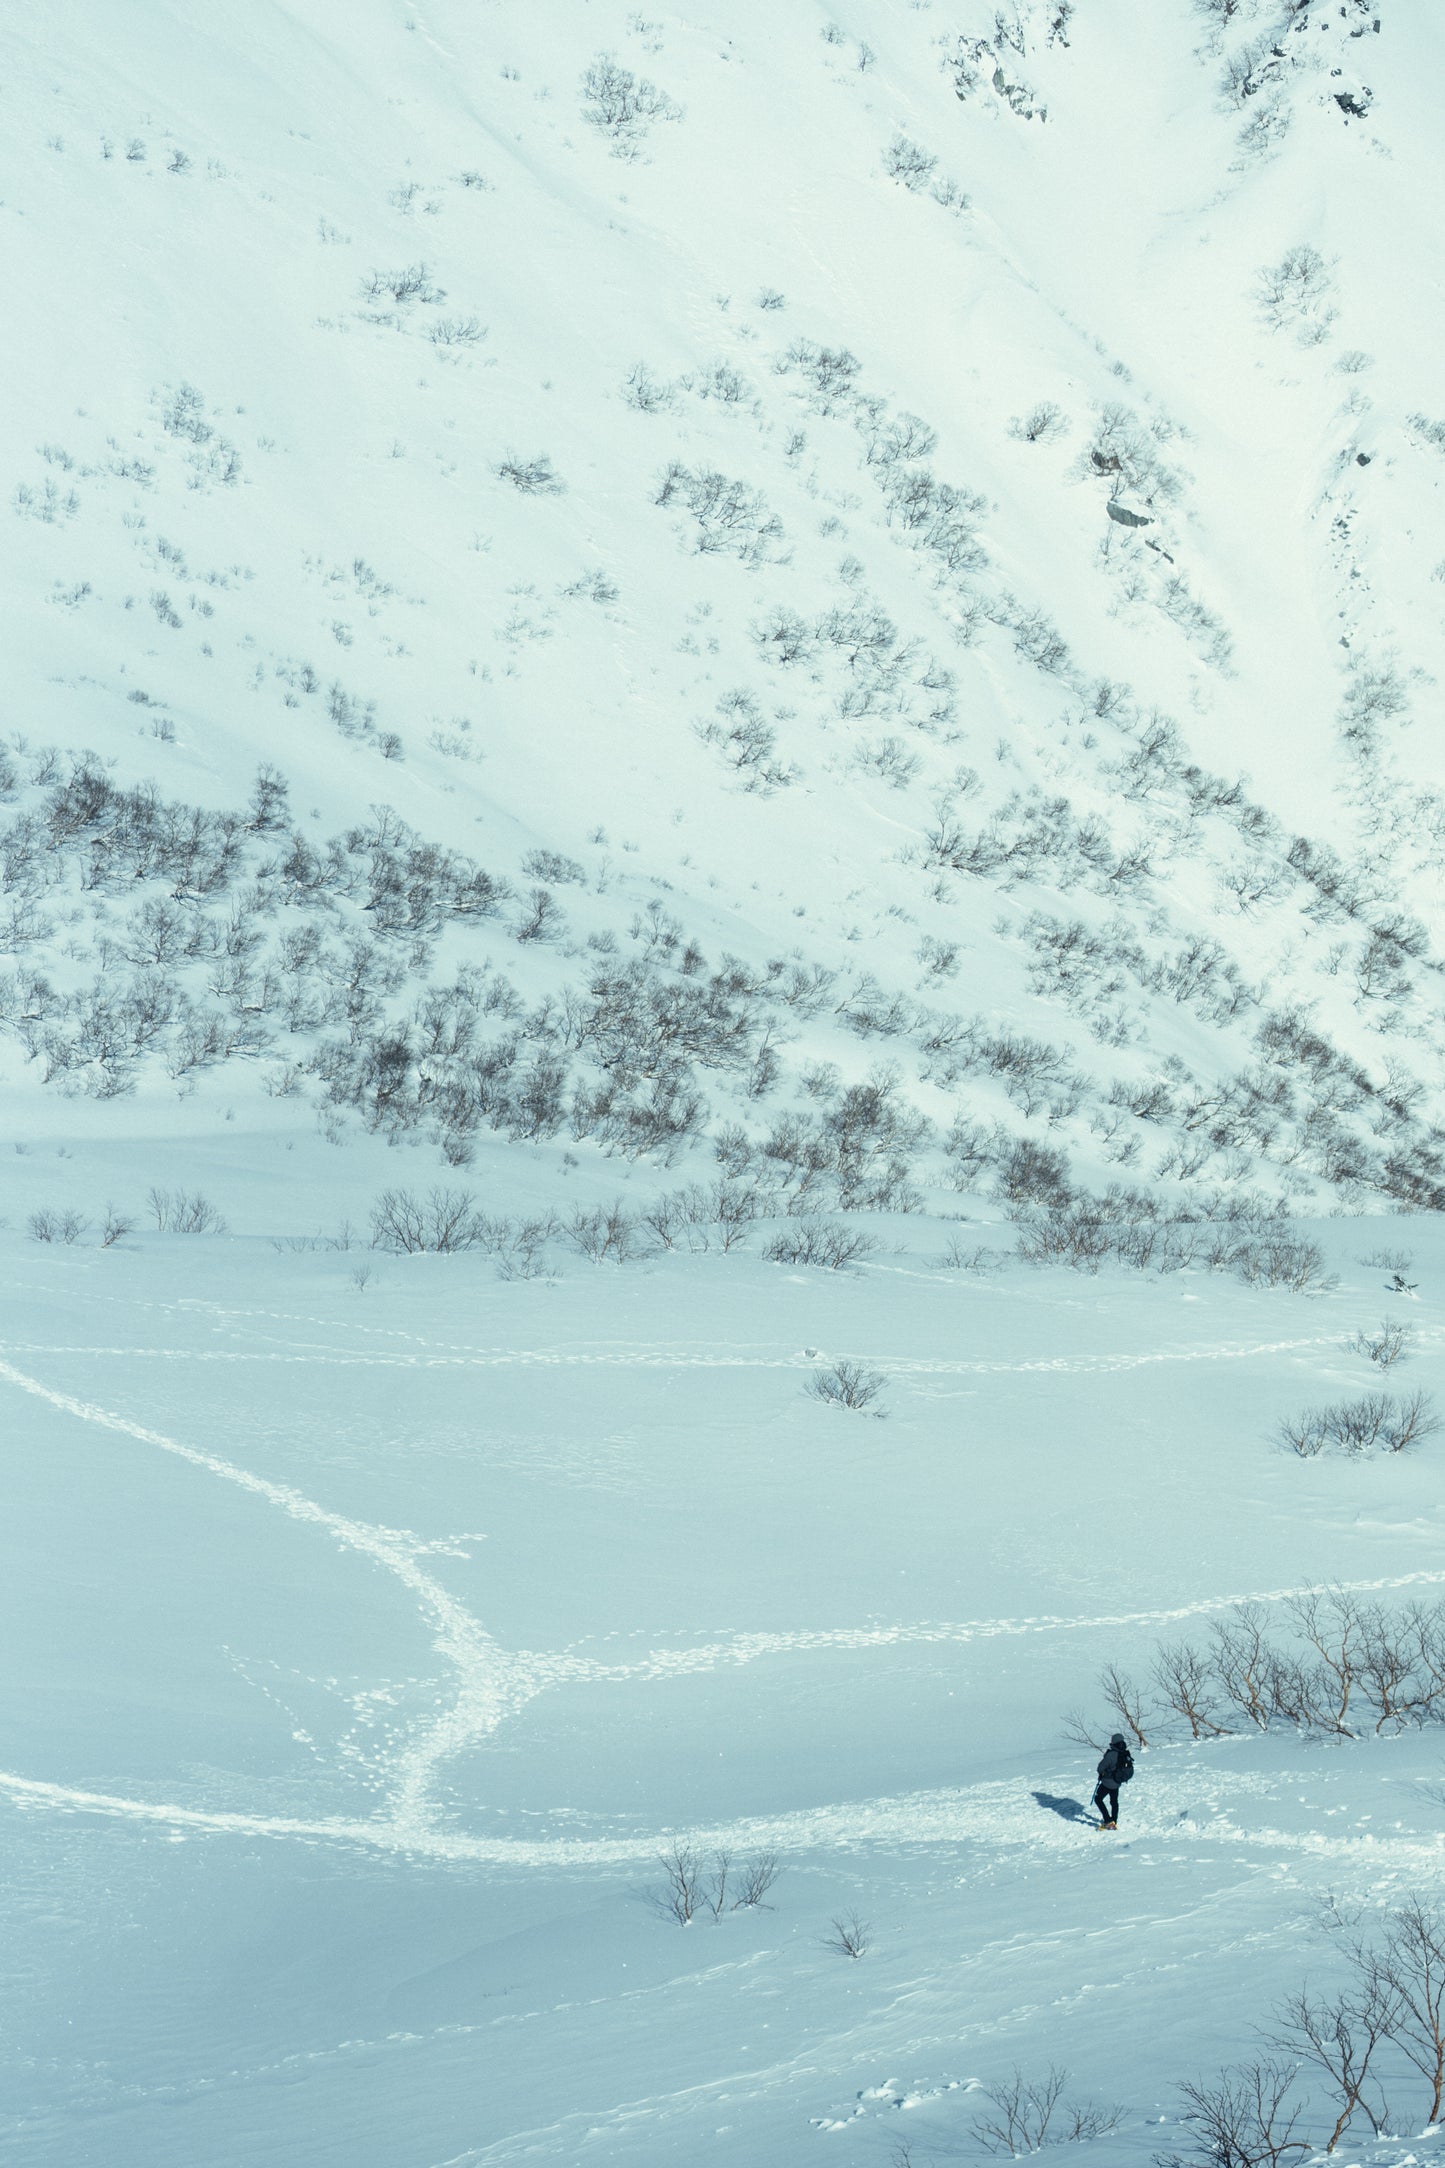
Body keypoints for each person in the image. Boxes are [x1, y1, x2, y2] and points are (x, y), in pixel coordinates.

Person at [1093, 1732, 1133, 1830]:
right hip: (1117, 1782)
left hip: (1107, 1782)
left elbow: (1100, 1768)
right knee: (1114, 1802)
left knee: (1098, 1799)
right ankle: (1114, 1820)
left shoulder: (1111, 1754)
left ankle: (1108, 1821)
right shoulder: (1124, 1753)